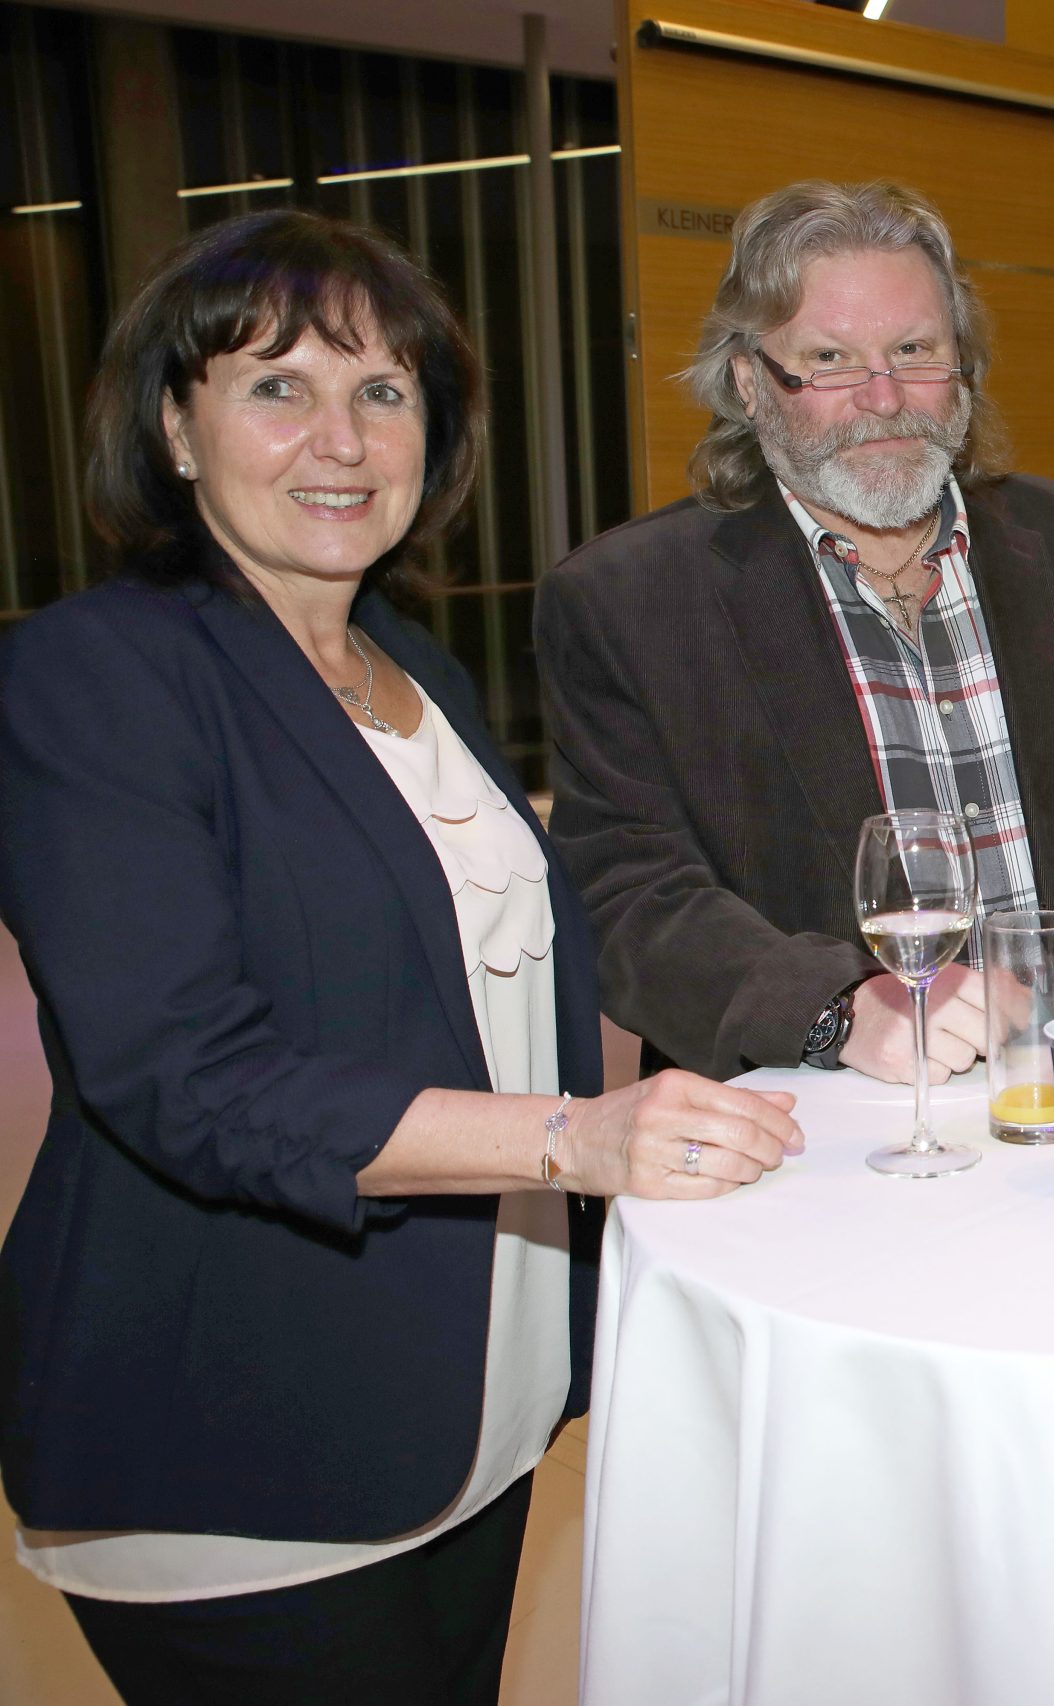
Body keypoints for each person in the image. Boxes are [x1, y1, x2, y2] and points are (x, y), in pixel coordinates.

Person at [0, 210, 801, 1706]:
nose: (342, 438)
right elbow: (182, 1073)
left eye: (382, 390)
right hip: (244, 1441)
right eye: (276, 386)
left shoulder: (410, 664)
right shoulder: (97, 673)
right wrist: (575, 1137)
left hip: (460, 1405)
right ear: (174, 430)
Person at [535, 179, 1054, 1084]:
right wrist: (837, 1009)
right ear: (750, 381)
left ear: (962, 362)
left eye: (914, 350)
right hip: (812, 1118)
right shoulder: (627, 600)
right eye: (829, 360)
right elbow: (630, 896)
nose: (883, 396)